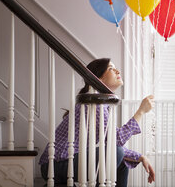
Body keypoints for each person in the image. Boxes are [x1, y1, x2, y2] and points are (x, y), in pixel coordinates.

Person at [39, 58, 155, 186]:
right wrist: (141, 112)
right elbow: (117, 141)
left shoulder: (100, 103)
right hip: (54, 164)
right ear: (98, 79)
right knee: (117, 153)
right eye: (111, 68)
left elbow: (112, 143)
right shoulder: (94, 103)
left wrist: (140, 157)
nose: (117, 71)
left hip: (65, 161)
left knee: (121, 159)